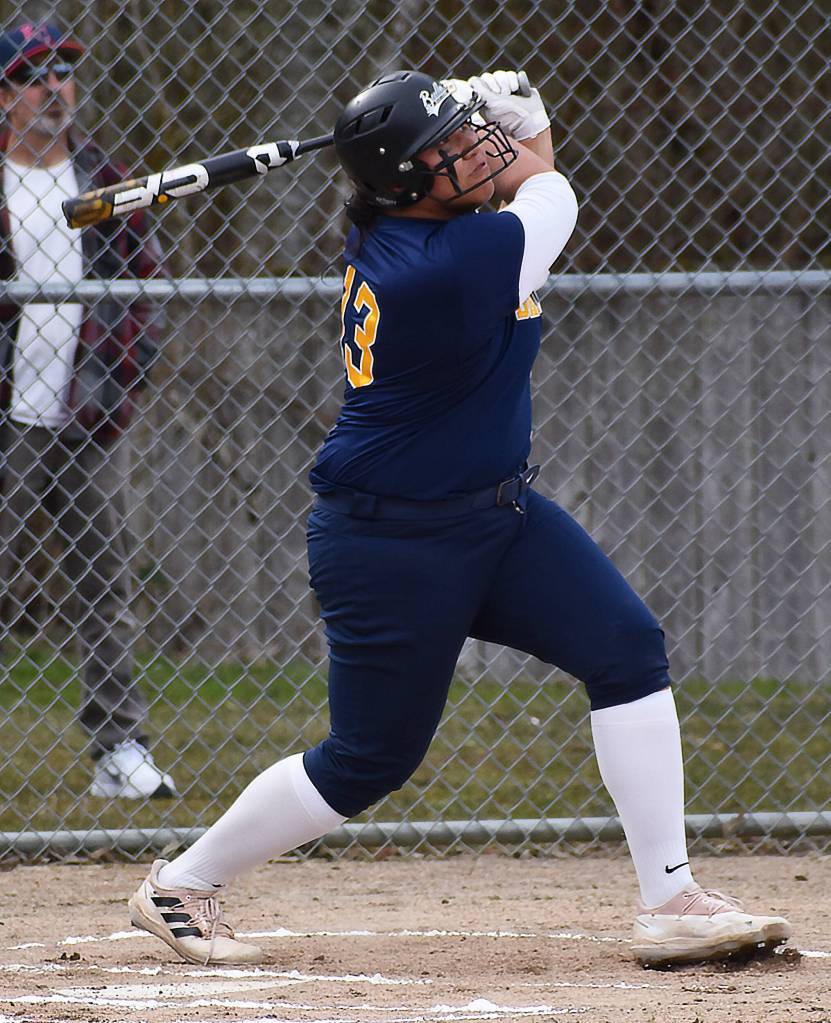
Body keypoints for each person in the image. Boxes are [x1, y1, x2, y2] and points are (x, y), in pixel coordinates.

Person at [128, 69, 790, 967]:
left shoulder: (432, 230)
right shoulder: (448, 267)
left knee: (627, 647)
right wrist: (526, 116)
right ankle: (182, 883)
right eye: (449, 148)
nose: (475, 151)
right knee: (369, 758)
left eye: (470, 137)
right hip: (390, 539)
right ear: (406, 182)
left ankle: (671, 897)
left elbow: (521, 183)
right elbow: (547, 189)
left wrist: (473, 117)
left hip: (501, 515)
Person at [0, 22, 176, 799]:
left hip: (87, 415)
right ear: (5, 93)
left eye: (64, 72)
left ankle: (119, 749)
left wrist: (122, 381)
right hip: (9, 415)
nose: (53, 89)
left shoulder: (105, 178)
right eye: (35, 75)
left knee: (104, 580)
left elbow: (146, 283)